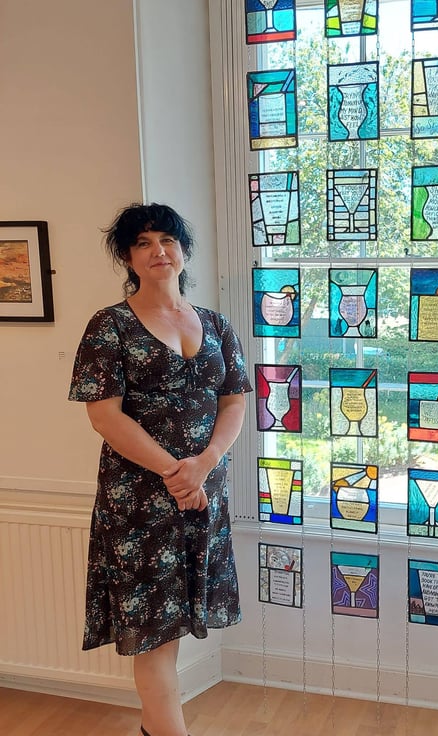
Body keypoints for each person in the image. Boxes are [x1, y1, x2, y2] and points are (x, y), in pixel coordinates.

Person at [68, 203, 251, 736]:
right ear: (128, 257)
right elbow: (104, 416)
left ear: (183, 250)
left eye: (167, 240)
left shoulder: (215, 323)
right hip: (140, 500)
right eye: (143, 243)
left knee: (175, 626)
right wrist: (178, 473)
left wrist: (204, 465)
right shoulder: (109, 326)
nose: (158, 251)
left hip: (202, 493)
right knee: (153, 633)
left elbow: (235, 401)